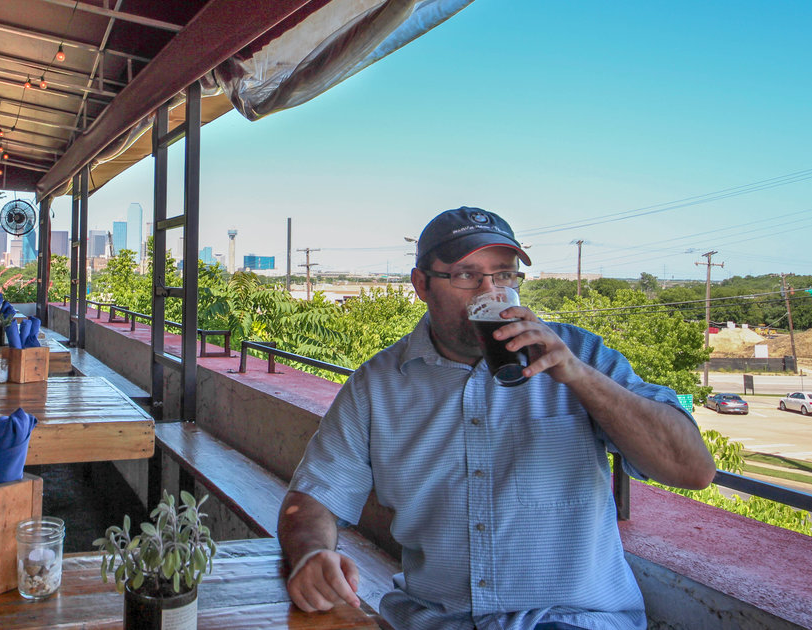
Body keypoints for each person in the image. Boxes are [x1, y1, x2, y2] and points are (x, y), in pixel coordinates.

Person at [278, 207, 715, 630]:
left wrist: (579, 377)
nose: (490, 293)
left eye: (504, 275)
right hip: (436, 620)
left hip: (570, 619)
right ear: (422, 285)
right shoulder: (379, 385)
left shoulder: (581, 356)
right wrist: (312, 555)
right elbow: (312, 499)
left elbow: (693, 470)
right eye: (467, 275)